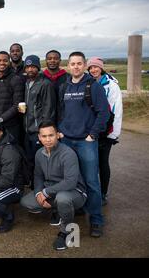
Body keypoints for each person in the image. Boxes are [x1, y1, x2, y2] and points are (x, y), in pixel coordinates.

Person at [57, 51, 110, 237]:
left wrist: (92, 134)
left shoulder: (93, 86)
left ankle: (96, 219)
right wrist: (60, 130)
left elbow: (104, 113)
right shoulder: (64, 87)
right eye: (73, 64)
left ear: (84, 65)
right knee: (71, 179)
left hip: (85, 142)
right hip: (66, 140)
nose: (76, 67)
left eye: (79, 63)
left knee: (91, 181)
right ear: (68, 66)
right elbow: (60, 111)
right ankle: (77, 208)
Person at [20, 121, 87, 251]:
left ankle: (66, 231)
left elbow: (70, 182)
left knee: (62, 198)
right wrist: (39, 192)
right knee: (26, 202)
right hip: (52, 190)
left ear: (57, 135)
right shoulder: (39, 153)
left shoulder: (67, 153)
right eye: (44, 136)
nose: (48, 139)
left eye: (51, 135)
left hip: (75, 192)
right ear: (39, 137)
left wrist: (46, 192)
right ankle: (57, 210)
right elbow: (38, 176)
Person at [87, 57, 122, 205]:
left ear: (101, 68)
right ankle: (90, 192)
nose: (93, 70)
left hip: (106, 130)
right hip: (91, 129)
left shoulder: (111, 85)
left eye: (96, 67)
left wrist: (113, 134)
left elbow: (116, 110)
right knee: (91, 163)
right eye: (90, 68)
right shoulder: (88, 82)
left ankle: (102, 194)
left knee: (102, 162)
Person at [18, 55, 56, 186]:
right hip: (27, 129)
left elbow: (49, 109)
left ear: (38, 68)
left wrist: (43, 130)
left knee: (40, 159)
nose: (30, 69)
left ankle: (41, 186)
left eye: (33, 67)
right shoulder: (27, 83)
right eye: (27, 67)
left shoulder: (45, 84)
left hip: (38, 130)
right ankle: (34, 183)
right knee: (30, 158)